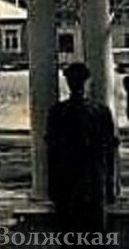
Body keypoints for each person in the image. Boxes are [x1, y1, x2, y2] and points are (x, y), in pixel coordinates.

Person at [46, 61, 117, 231]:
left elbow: (108, 149)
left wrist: (109, 182)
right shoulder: (97, 111)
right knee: (77, 234)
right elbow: (52, 150)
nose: (75, 83)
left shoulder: (61, 112)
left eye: (77, 79)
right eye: (73, 79)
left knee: (86, 234)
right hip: (76, 180)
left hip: (86, 180)